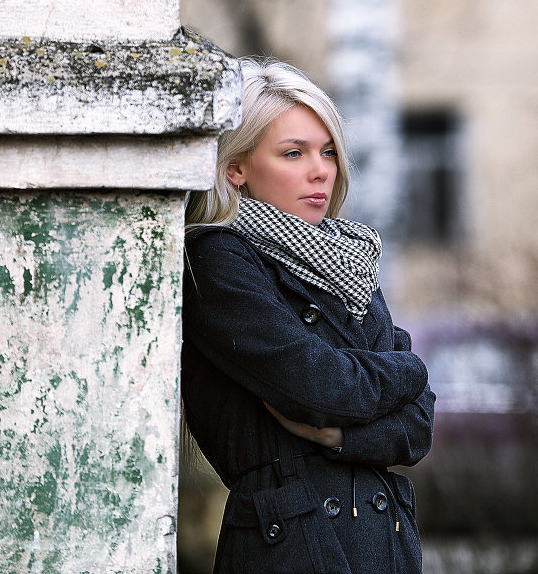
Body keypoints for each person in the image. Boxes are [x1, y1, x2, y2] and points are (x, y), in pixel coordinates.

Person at [182, 58, 435, 574]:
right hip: (294, 542)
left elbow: (418, 426)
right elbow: (318, 385)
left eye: (328, 152)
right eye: (293, 153)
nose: (320, 169)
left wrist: (343, 437)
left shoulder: (348, 260)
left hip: (383, 540)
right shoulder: (217, 259)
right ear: (237, 168)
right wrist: (409, 371)